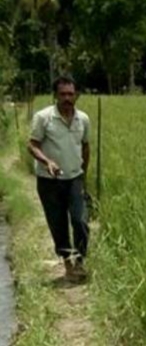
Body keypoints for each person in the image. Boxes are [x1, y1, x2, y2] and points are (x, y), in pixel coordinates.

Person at [27, 75, 91, 282]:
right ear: (55, 95)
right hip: (49, 181)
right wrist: (48, 162)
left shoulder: (83, 119)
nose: (67, 98)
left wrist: (84, 173)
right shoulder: (43, 117)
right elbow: (32, 144)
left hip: (75, 178)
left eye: (71, 94)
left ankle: (80, 260)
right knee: (58, 223)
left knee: (80, 220)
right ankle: (68, 263)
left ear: (76, 95)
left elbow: (86, 146)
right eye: (63, 94)